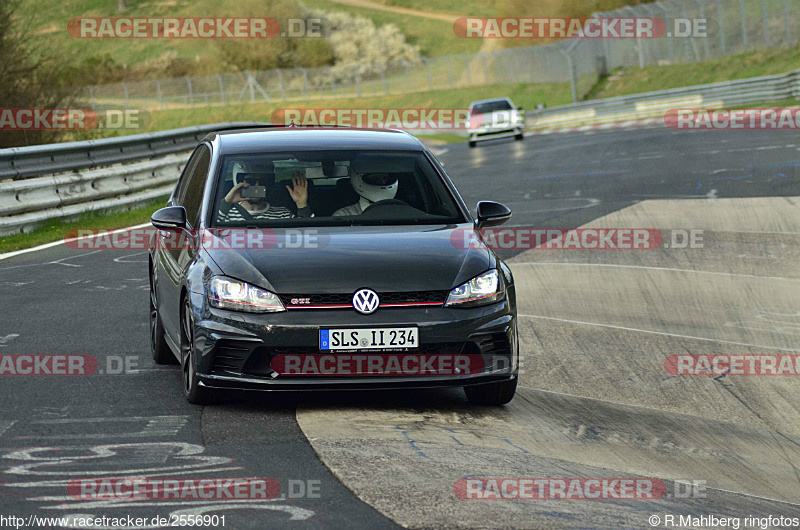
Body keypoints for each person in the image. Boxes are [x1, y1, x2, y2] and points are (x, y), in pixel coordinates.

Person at [218, 162, 311, 222]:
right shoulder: (227, 215)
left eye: (264, 181)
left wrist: (302, 205)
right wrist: (226, 202)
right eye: (251, 181)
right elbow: (207, 234)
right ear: (239, 183)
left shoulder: (283, 214)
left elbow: (307, 235)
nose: (257, 186)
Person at [333, 172, 398, 216]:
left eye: (385, 178)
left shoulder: (401, 212)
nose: (383, 182)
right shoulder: (344, 215)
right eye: (375, 178)